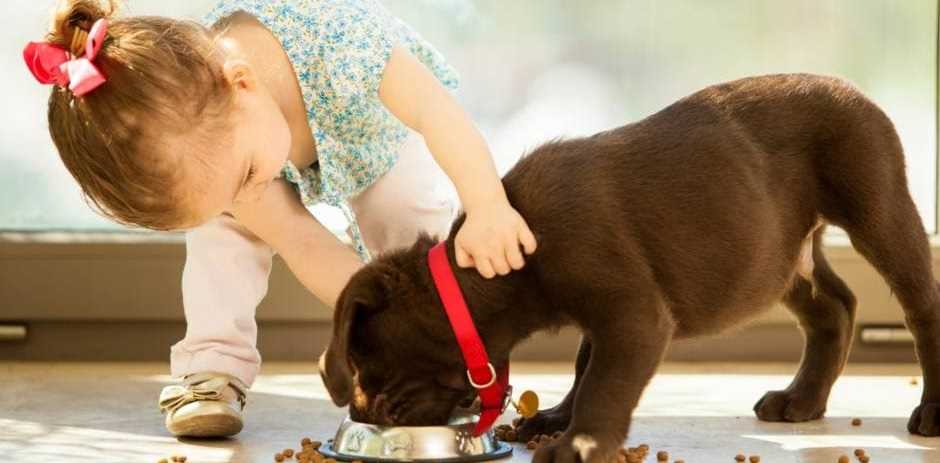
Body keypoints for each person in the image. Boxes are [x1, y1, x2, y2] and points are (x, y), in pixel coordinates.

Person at [24, 0, 536, 437]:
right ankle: (211, 367)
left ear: (242, 83)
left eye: (246, 177)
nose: (248, 194)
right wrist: (369, 323)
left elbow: (437, 112)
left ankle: (444, 360)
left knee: (404, 215)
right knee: (221, 237)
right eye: (232, 190)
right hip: (251, 141)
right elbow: (302, 241)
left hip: (372, 133)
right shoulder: (224, 146)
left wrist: (487, 203)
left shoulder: (344, 45)